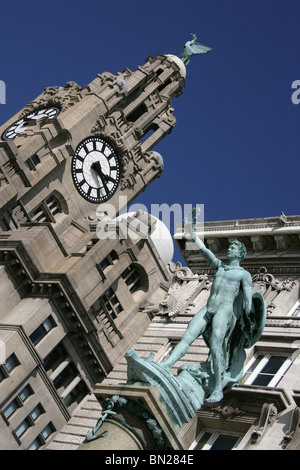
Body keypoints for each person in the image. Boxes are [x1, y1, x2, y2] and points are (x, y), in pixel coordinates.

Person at [160, 223, 253, 403]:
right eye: (230, 247)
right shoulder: (220, 267)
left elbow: (248, 301)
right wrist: (192, 233)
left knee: (216, 345)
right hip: (208, 308)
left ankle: (218, 388)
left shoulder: (244, 275)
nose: (229, 249)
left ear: (240, 254)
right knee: (188, 336)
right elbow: (203, 250)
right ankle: (167, 364)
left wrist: (249, 320)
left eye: (233, 247)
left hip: (224, 311)